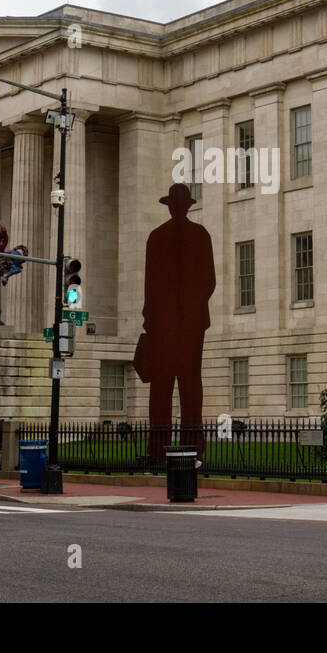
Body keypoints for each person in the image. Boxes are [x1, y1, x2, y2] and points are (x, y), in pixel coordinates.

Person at [134, 183, 215, 462]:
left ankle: (158, 451)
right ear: (187, 205)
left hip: (165, 326)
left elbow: (150, 286)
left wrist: (153, 318)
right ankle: (193, 449)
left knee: (162, 389)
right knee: (190, 387)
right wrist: (192, 309)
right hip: (191, 325)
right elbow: (209, 282)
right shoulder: (200, 235)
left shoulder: (157, 237)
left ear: (170, 205)